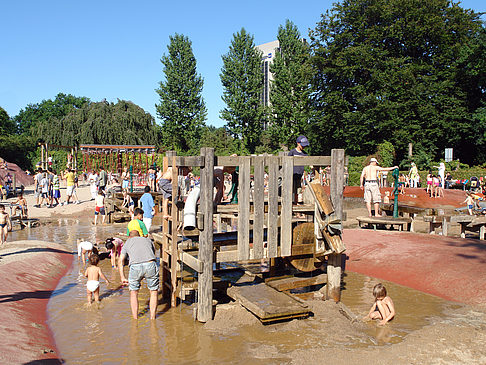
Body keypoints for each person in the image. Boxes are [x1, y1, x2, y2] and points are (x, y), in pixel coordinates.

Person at [118, 230, 159, 320]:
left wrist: (122, 277)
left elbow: (120, 260)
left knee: (134, 293)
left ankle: (135, 319)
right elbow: (153, 254)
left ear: (129, 236)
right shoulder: (147, 240)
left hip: (135, 267)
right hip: (150, 264)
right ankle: (153, 318)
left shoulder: (128, 242)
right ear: (139, 235)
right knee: (153, 292)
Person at [288, 135, 309, 204]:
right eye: (302, 145)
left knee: (298, 190)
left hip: (299, 175)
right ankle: (290, 203)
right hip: (292, 174)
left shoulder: (304, 154)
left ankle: (296, 203)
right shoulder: (292, 152)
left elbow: (308, 162)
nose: (303, 147)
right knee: (291, 190)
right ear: (298, 143)